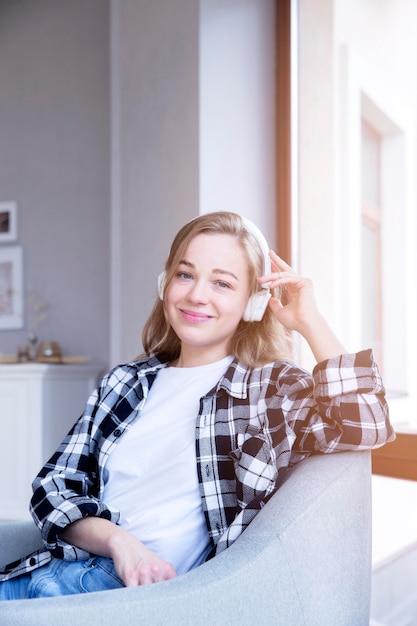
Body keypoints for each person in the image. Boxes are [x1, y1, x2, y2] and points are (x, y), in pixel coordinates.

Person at [0, 211, 394, 599]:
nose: (196, 295)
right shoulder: (124, 382)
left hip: (117, 597)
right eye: (185, 275)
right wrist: (121, 543)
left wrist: (310, 321)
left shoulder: (268, 389)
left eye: (222, 283)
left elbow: (366, 422)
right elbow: (53, 488)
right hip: (46, 572)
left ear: (253, 304)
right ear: (165, 283)